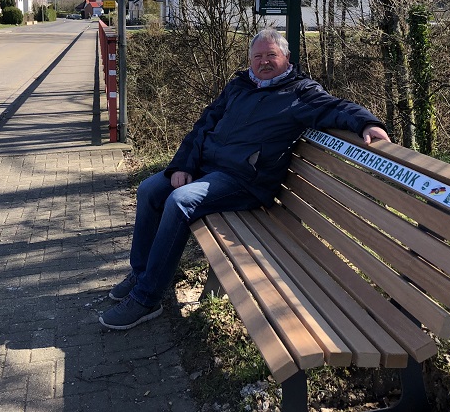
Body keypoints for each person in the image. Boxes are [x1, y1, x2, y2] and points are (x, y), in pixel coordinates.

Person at [99, 28, 390, 330]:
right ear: (250, 59)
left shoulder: (301, 92)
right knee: (149, 189)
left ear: (286, 58)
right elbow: (204, 125)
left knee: (180, 202)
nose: (264, 62)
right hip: (207, 168)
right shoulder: (239, 85)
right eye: (258, 56)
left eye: (271, 56)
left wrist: (367, 123)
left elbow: (336, 107)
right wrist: (183, 165)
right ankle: (142, 271)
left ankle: (147, 298)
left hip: (244, 182)